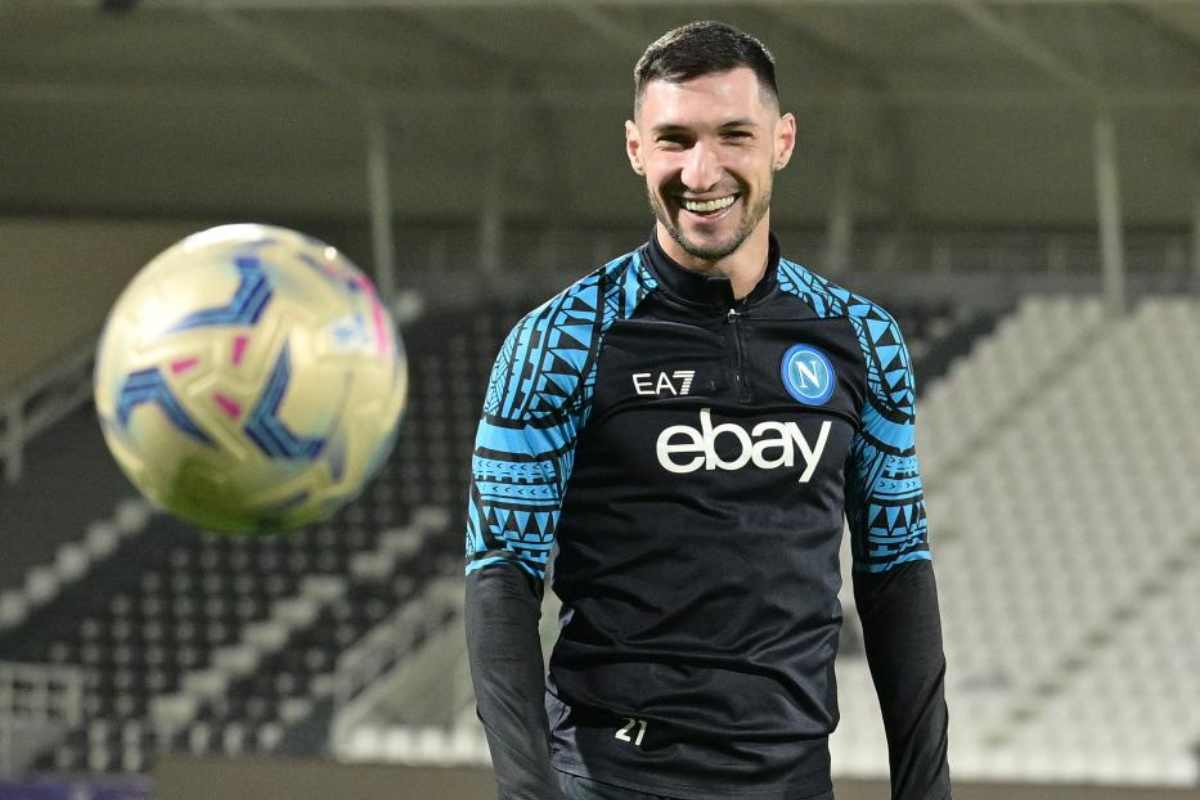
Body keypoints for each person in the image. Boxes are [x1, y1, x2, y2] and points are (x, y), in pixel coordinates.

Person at [463, 19, 950, 800]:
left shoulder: (862, 339)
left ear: (782, 141)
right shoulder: (559, 342)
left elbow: (895, 572)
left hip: (795, 783)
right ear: (635, 148)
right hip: (613, 780)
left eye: (733, 135)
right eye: (675, 139)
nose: (701, 170)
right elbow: (501, 579)